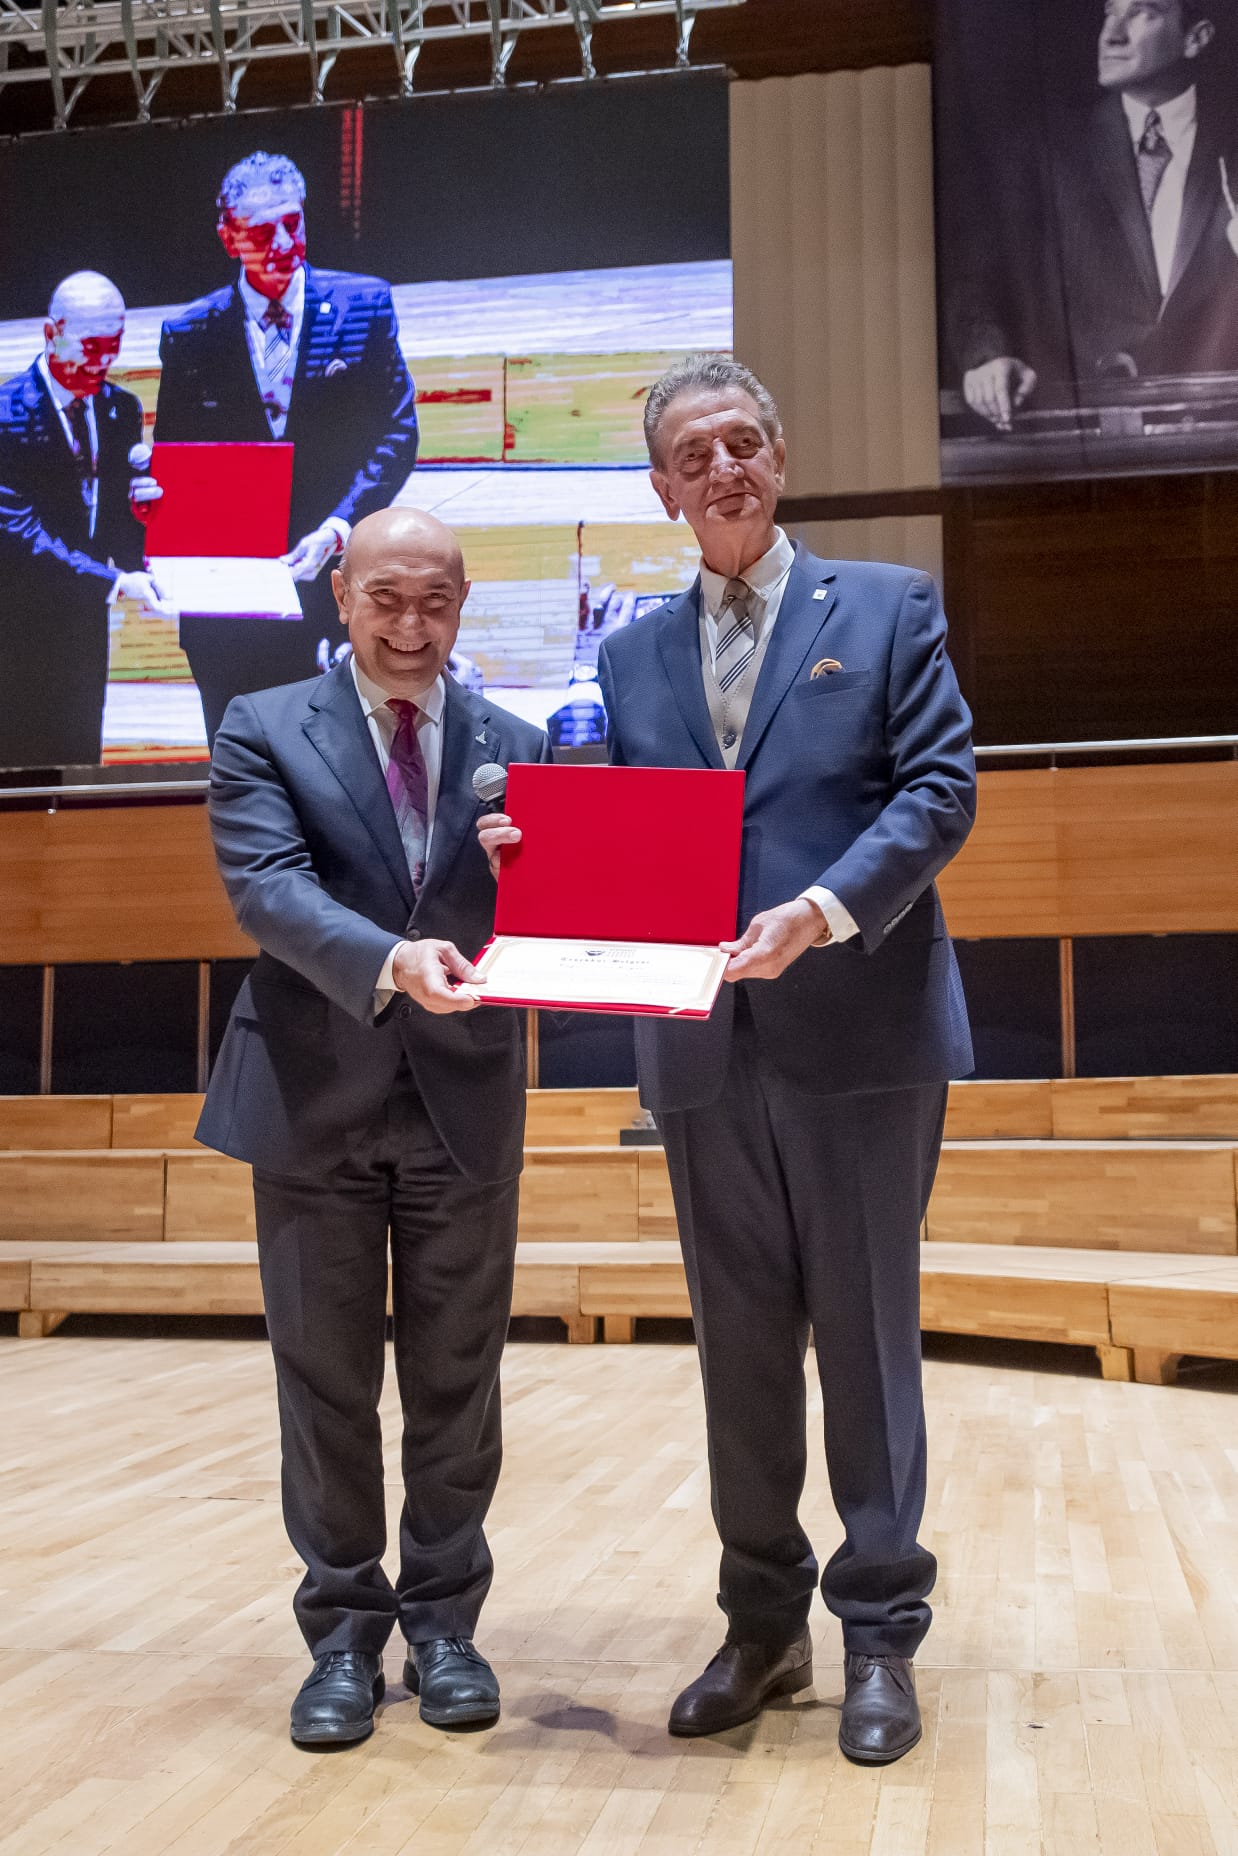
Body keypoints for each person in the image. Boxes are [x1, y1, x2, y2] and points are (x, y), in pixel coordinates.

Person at [482, 357, 976, 1764]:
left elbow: (938, 788)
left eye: (743, 443)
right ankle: (762, 1628)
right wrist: (535, 846)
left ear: (780, 457)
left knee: (869, 1344)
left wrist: (819, 914)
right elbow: (619, 831)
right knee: (741, 1353)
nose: (722, 470)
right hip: (699, 1053)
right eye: (692, 454)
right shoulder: (630, 651)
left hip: (859, 1036)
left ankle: (880, 1633)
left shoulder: (883, 607)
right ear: (659, 487)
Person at [200, 506, 552, 1749]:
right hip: (311, 1099)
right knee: (327, 1384)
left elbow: (559, 922)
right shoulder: (260, 728)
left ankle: (447, 1625)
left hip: (464, 1096)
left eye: (436, 603)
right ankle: (343, 1635)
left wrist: (541, 884)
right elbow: (267, 891)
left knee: (458, 1383)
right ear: (342, 594)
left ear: (463, 603)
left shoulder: (522, 744)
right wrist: (394, 959)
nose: (411, 628)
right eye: (386, 600)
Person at [155, 150, 420, 743]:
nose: (282, 241)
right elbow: (176, 460)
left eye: (292, 223)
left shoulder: (364, 306)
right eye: (261, 230)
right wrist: (152, 493)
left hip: (336, 591)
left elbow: (398, 431)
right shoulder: (189, 333)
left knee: (344, 775)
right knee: (244, 783)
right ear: (229, 236)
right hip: (230, 613)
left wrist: (337, 526)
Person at [953, 0, 1238, 429]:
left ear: (1196, 38)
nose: (1112, 34)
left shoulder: (1231, 143)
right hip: (1083, 439)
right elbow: (978, 277)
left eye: (1142, 11)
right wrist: (987, 357)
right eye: (1110, 12)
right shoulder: (1046, 152)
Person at [0, 271, 168, 768]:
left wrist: (152, 519)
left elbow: (118, 521)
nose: (104, 361)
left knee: (78, 766)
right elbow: (19, 534)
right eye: (91, 346)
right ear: (51, 332)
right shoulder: (5, 415)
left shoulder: (121, 409)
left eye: (113, 345)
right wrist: (116, 582)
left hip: (85, 630)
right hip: (16, 626)